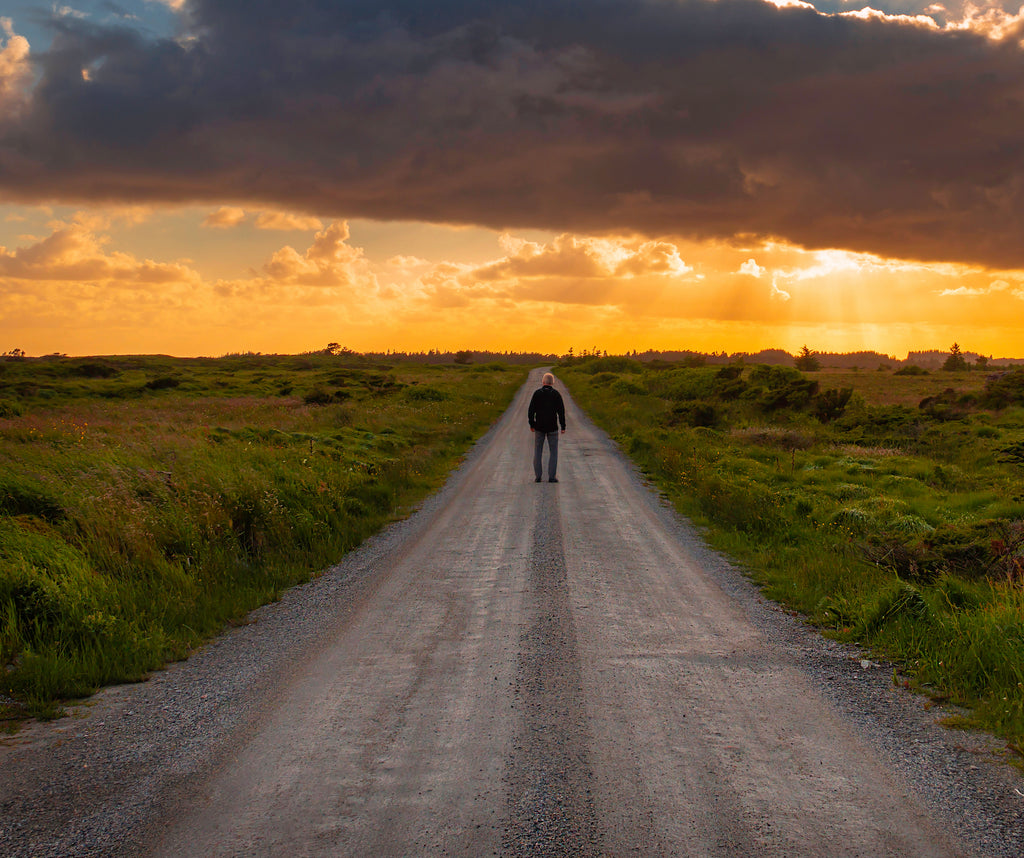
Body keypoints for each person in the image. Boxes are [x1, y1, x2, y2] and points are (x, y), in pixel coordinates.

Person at [528, 372, 566, 482]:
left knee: (538, 451)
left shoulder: (537, 394)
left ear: (543, 381)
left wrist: (532, 424)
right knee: (553, 452)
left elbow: (531, 411)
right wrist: (563, 426)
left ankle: (538, 476)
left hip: (539, 427)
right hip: (552, 427)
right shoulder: (556, 394)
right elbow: (561, 412)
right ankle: (552, 477)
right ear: (552, 382)